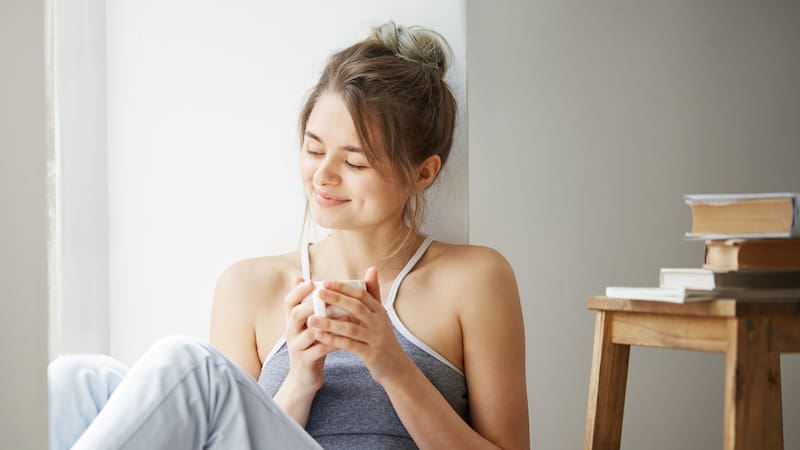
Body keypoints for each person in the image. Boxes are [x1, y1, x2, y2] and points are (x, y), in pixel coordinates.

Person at [49, 21, 529, 450]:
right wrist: (301, 378)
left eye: (355, 161)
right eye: (313, 149)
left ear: (422, 174)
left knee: (190, 367)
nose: (324, 176)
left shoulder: (473, 278)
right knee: (77, 381)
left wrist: (391, 364)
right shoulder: (250, 287)